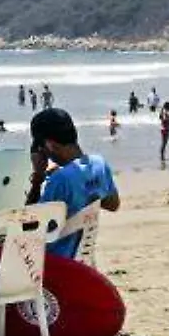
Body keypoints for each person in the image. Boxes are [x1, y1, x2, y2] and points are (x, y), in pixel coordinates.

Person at [26, 108, 120, 258]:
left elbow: (29, 229)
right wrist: (85, 191)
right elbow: (113, 204)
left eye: (41, 147)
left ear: (50, 145)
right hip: (81, 258)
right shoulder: (98, 164)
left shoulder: (60, 180)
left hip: (54, 263)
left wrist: (38, 179)